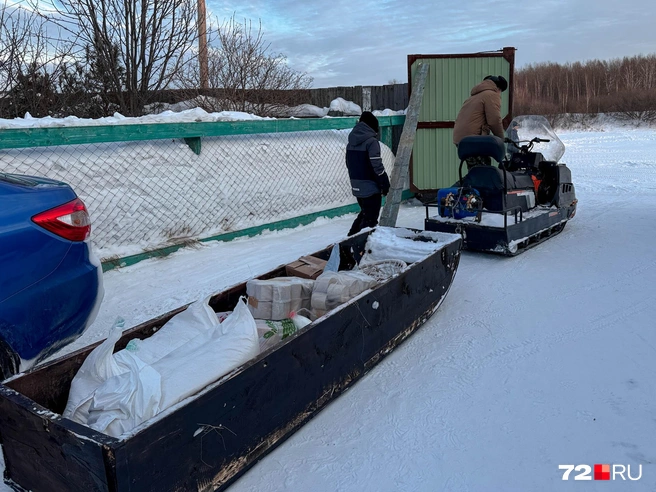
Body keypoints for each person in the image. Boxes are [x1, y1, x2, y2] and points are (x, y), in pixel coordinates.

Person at [345, 111, 391, 236]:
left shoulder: (351, 141)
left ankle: (349, 239)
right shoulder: (371, 142)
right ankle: (359, 247)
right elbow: (376, 165)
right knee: (370, 222)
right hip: (370, 187)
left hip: (357, 185)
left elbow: (348, 163)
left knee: (364, 214)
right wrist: (384, 183)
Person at [453, 75, 508, 170]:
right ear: (498, 88)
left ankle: (469, 184)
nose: (500, 95)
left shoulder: (474, 96)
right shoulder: (491, 95)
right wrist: (500, 139)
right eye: (500, 92)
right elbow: (494, 120)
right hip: (474, 139)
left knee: (475, 170)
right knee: (483, 172)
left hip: (462, 140)